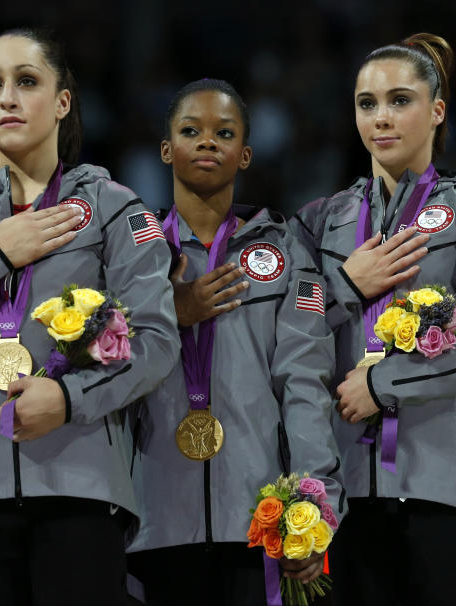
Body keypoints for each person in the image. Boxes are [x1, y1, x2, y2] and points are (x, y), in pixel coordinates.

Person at [0, 29, 179, 605]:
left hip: (83, 487)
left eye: (27, 81)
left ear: (63, 101)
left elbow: (156, 341)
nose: (8, 98)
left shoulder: (112, 206)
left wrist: (69, 400)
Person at [289, 33, 456, 606]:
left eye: (400, 100)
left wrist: (383, 383)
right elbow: (293, 345)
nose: (381, 118)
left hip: (442, 493)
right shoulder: (317, 222)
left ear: (437, 111)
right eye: (367, 104)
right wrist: (345, 286)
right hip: (340, 493)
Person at [126, 78, 343, 606]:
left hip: (257, 518)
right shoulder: (132, 255)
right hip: (152, 519)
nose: (207, 142)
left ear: (244, 155)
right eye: (190, 131)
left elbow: (304, 386)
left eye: (224, 132)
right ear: (165, 149)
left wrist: (314, 503)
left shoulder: (286, 253)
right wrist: (166, 310)